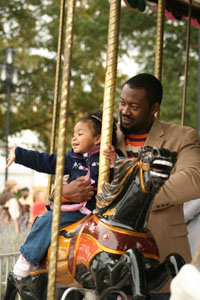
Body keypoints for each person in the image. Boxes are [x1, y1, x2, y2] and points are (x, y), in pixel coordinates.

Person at [61, 74, 200, 300]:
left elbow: (194, 178)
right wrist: (61, 194)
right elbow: (70, 169)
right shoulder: (101, 137)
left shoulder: (182, 136)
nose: (125, 111)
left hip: (160, 257)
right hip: (105, 256)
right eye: (123, 103)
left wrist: (137, 196)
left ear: (154, 107)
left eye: (134, 106)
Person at [6, 111, 120, 279]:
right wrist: (20, 154)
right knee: (48, 219)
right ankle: (28, 256)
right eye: (74, 134)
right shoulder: (73, 158)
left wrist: (115, 162)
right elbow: (47, 161)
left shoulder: (111, 155)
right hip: (75, 212)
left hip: (101, 215)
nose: (74, 138)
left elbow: (123, 176)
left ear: (97, 138)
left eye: (80, 134)